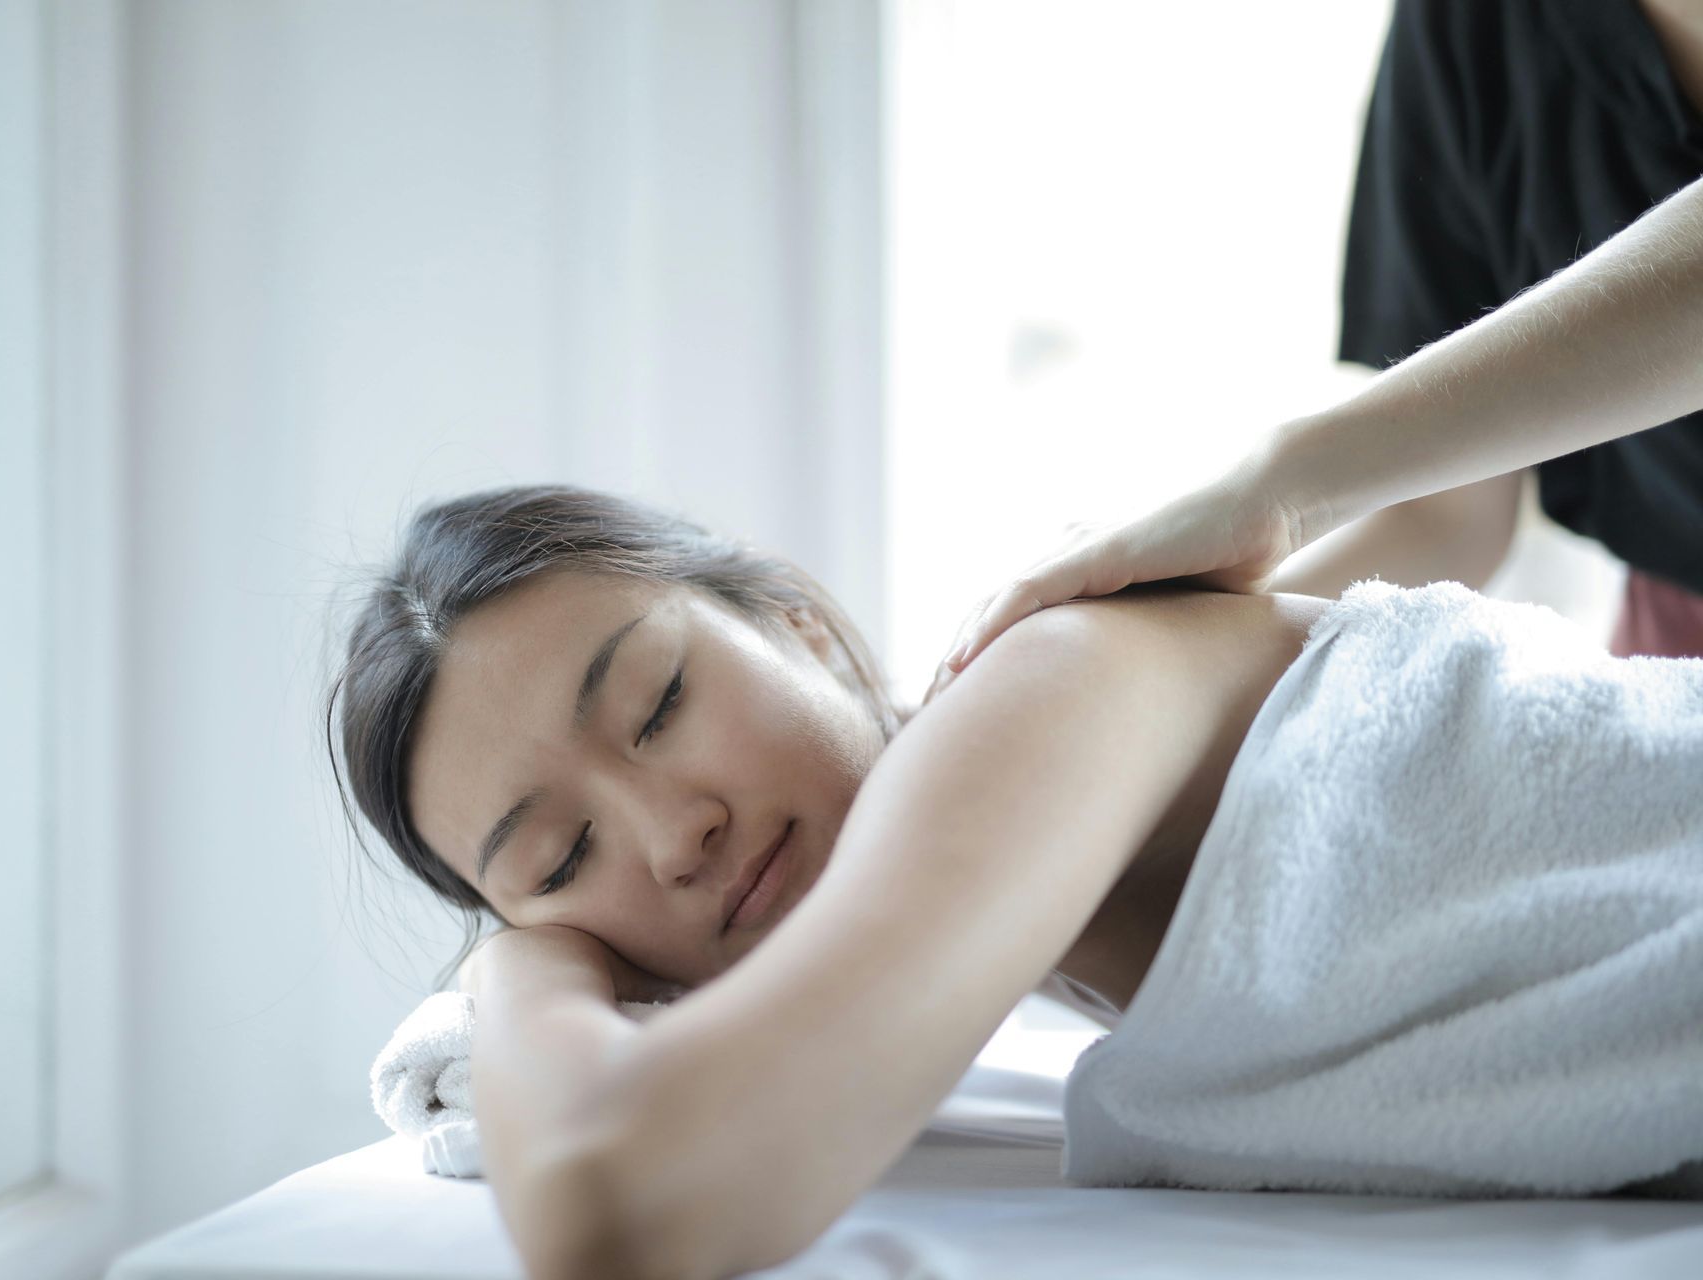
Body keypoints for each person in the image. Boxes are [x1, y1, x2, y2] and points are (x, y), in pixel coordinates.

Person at [327, 482, 1702, 1274]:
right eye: (563, 857)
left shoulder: (1039, 692)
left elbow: (615, 1192)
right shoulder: (1033, 845)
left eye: (662, 701)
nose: (671, 831)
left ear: (801, 628)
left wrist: (520, 960)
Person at [928, 3, 1703, 694]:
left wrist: (1279, 490)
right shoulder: (1472, 29)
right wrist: (1170, 639)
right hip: (1669, 659)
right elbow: (1445, 514)